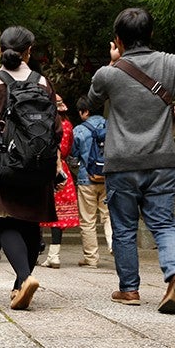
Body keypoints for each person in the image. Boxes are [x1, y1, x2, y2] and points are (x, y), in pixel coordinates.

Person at [86, 7, 175, 313]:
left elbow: (90, 102)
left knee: (123, 227)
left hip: (121, 163)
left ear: (118, 40)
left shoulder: (108, 74)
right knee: (163, 222)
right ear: (151, 35)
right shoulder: (173, 63)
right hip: (162, 160)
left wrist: (112, 63)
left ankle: (130, 289)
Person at [0, 25, 63, 310]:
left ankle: (23, 278)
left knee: (4, 219)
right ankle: (21, 285)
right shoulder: (42, 82)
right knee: (30, 222)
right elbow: (55, 130)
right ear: (28, 52)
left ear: (0, 50)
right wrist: (54, 164)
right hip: (38, 163)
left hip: (3, 161)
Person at [38, 95, 80, 268]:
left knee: (36, 210)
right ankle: (54, 255)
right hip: (62, 171)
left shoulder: (44, 126)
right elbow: (68, 148)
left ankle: (35, 249)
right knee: (59, 216)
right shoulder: (69, 126)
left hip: (44, 169)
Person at [71, 95, 112, 268]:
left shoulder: (79, 130)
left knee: (88, 220)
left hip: (86, 179)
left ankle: (91, 259)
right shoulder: (112, 126)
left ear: (85, 111)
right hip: (109, 178)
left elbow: (73, 157)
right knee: (109, 215)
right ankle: (113, 244)